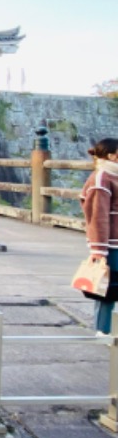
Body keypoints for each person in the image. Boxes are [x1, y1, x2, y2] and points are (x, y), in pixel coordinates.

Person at [80, 138, 118, 334]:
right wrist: (98, 250)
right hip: (110, 245)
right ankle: (101, 332)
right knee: (107, 291)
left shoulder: (113, 176)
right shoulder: (101, 178)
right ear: (111, 155)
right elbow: (97, 216)